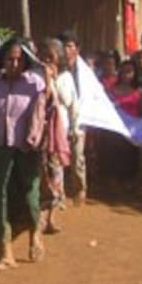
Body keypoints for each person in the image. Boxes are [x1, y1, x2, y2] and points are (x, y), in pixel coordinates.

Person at [0, 38, 46, 270]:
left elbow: (47, 110)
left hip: (26, 149)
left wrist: (49, 79)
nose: (14, 63)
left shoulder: (36, 84)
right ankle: (5, 252)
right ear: (2, 60)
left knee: (28, 196)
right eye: (9, 59)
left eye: (19, 59)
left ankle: (35, 232)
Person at [37, 39, 78, 234]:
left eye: (51, 56)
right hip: (39, 132)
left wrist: (51, 80)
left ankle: (51, 216)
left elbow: (69, 102)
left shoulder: (66, 78)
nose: (47, 59)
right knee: (41, 173)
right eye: (44, 56)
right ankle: (41, 215)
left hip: (58, 132)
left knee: (55, 173)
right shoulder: (36, 77)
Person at [96, 60, 142, 185]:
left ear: (134, 74)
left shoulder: (138, 91)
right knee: (112, 152)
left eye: (130, 72)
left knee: (129, 154)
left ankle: (128, 178)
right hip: (114, 128)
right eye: (124, 71)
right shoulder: (111, 90)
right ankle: (112, 177)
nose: (126, 75)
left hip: (131, 129)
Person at [58, 30, 87, 206]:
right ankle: (58, 194)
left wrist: (77, 125)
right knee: (57, 159)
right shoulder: (56, 68)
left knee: (78, 157)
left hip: (79, 119)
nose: (66, 50)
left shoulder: (85, 72)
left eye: (70, 46)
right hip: (60, 120)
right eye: (63, 46)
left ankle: (79, 189)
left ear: (77, 49)